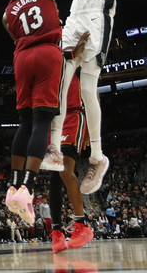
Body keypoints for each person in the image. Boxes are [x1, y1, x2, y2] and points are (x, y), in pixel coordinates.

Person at [27, 0, 128, 195]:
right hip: (74, 18)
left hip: (97, 19)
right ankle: (54, 148)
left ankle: (97, 156)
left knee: (87, 88)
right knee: (59, 82)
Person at [0, 0, 90, 225]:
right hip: (48, 52)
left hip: (21, 58)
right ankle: (26, 187)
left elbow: (13, 34)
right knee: (42, 122)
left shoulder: (7, 13)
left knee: (24, 123)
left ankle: (12, 186)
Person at [48, 70, 95, 253]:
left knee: (65, 170)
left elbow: (93, 93)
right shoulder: (45, 69)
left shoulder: (74, 62)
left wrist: (92, 126)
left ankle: (82, 224)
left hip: (73, 116)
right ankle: (57, 231)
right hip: (53, 122)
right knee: (53, 178)